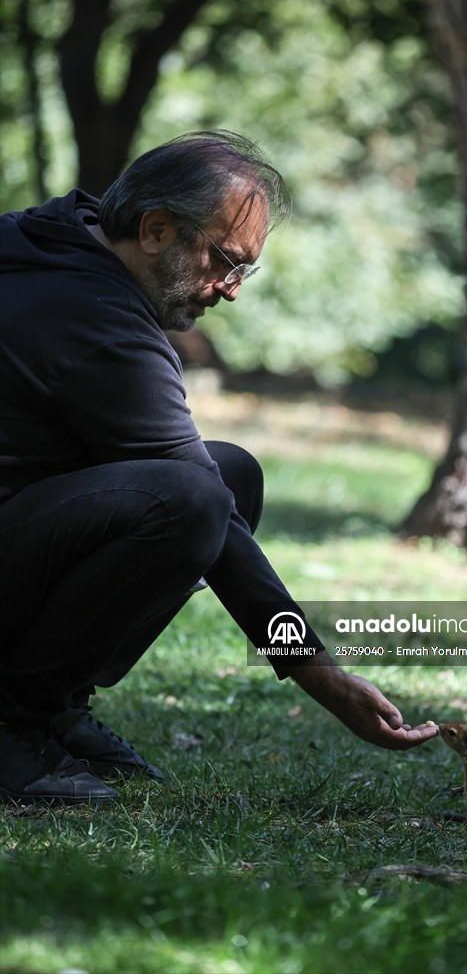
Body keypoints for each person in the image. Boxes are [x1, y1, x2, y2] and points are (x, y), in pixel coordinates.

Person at [0, 130, 439, 804]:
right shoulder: (95, 319)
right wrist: (318, 672)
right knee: (196, 499)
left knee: (228, 475)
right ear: (154, 229)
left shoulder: (52, 236)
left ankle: (53, 707)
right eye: (223, 261)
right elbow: (196, 502)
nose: (229, 291)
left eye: (243, 272)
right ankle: (13, 726)